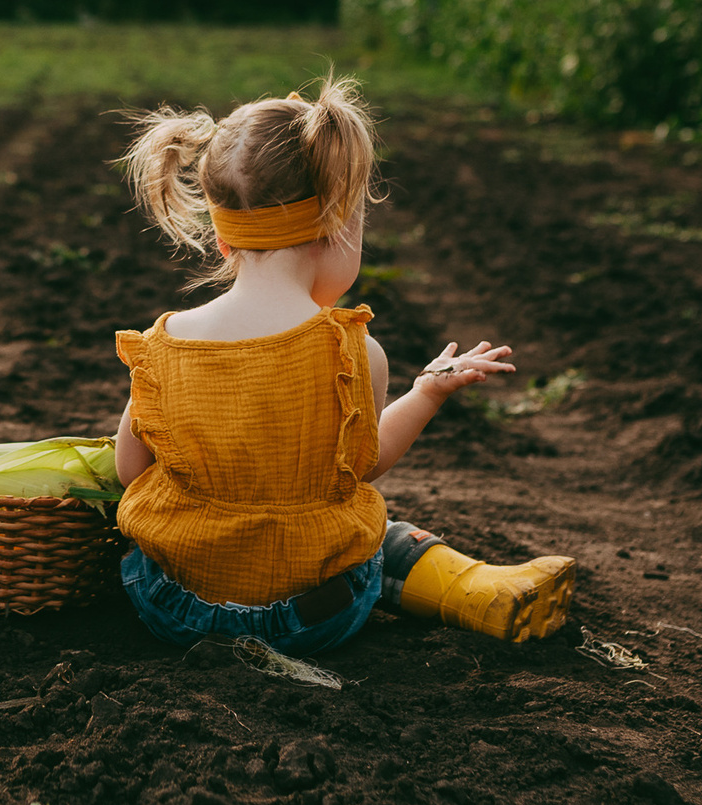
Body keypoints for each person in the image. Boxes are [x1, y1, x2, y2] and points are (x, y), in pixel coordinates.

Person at [110, 79, 576, 657]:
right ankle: (467, 589)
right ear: (339, 228)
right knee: (380, 537)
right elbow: (364, 464)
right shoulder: (352, 351)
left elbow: (130, 471)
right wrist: (428, 392)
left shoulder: (163, 346)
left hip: (176, 610)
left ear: (225, 242)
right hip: (314, 619)